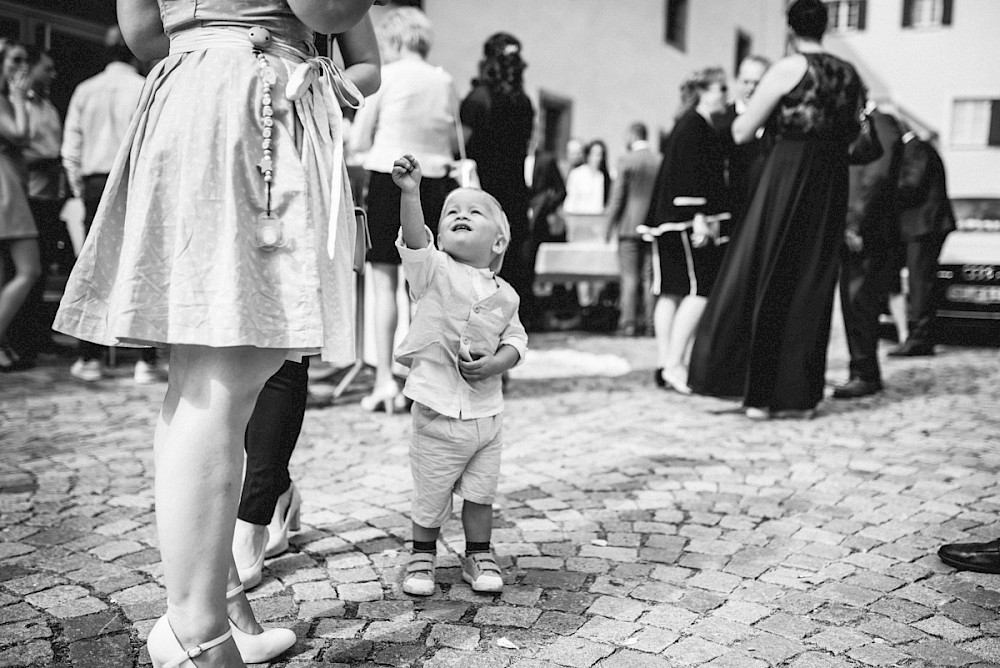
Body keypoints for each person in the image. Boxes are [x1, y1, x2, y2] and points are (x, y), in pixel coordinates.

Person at [52, 1, 378, 667]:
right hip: (247, 102)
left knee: (202, 377)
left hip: (191, 88)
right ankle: (194, 632)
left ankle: (220, 601)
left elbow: (145, 31)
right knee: (226, 379)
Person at [232, 13, 382, 590]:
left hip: (292, 140)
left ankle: (252, 517)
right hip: (212, 130)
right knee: (226, 336)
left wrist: (322, 82)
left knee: (286, 335)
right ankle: (276, 488)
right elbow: (146, 34)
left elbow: (367, 65)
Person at [688, 0, 872, 420]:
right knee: (812, 282)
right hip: (830, 183)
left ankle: (758, 397)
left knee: (766, 274)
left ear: (790, 28)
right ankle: (800, 396)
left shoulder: (789, 68)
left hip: (788, 175)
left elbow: (741, 130)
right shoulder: (849, 75)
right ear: (825, 27)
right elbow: (854, 132)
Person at [390, 154, 528, 597]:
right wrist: (412, 194)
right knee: (431, 493)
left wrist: (496, 364)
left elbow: (517, 341)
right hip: (438, 409)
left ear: (499, 242)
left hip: (488, 415)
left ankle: (479, 552)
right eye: (451, 211)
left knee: (481, 493)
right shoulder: (434, 272)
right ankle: (422, 554)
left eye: (475, 211)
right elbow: (414, 241)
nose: (461, 215)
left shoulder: (507, 294)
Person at [351, 6, 459, 413]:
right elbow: (452, 137)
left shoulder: (388, 77)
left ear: (393, 40)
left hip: (388, 175)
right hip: (433, 180)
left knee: (384, 285)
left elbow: (361, 138)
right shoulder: (443, 80)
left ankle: (383, 380)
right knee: (423, 286)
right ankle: (419, 379)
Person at [61, 27, 163, 383]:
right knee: (140, 261)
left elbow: (71, 147)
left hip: (94, 182)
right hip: (135, 177)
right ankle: (145, 359)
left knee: (98, 264)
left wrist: (78, 189)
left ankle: (90, 356)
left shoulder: (85, 90)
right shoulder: (144, 86)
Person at [646, 68, 729, 393]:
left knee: (672, 290)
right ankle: (675, 364)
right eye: (721, 88)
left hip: (669, 219)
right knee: (700, 289)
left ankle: (665, 363)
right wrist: (699, 216)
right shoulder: (696, 126)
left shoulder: (688, 123)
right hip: (685, 218)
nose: (725, 94)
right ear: (704, 91)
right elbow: (690, 174)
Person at [460, 32, 534, 324]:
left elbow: (461, 147)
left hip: (484, 195)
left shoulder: (477, 99)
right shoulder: (525, 103)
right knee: (510, 273)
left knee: (478, 274)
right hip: (515, 196)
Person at [6, 45, 71, 369]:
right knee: (24, 273)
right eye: (47, 68)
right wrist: (45, 160)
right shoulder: (16, 106)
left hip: (49, 195)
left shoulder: (46, 105)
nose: (53, 74)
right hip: (23, 194)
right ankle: (19, 341)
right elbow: (19, 144)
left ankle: (35, 337)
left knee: (41, 270)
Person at [834, 109, 904, 399]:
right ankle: (859, 369)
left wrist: (856, 223)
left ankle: (865, 373)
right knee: (852, 301)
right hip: (856, 226)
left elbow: (878, 175)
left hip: (868, 230)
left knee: (859, 299)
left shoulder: (881, 123)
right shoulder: (858, 123)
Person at [886, 129, 955, 357]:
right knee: (920, 282)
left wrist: (883, 191)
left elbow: (911, 185)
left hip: (923, 226)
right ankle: (920, 336)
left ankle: (919, 339)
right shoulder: (919, 147)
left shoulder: (915, 147)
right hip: (923, 225)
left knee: (919, 283)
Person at [0, 39, 41, 372]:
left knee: (7, 274)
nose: (22, 67)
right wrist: (17, 97)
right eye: (15, 60)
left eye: (25, 60)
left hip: (11, 185)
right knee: (29, 269)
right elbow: (21, 134)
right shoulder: (4, 99)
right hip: (5, 188)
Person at [606, 122, 660, 337]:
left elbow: (618, 197)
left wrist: (608, 226)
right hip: (651, 226)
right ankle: (651, 323)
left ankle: (628, 323)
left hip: (629, 226)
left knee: (629, 277)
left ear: (632, 135)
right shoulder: (659, 160)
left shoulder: (626, 161)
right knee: (649, 277)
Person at [713, 55, 771, 228]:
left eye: (757, 83)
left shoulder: (777, 125)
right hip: (730, 218)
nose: (750, 89)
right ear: (737, 81)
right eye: (746, 82)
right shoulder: (720, 122)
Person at [523, 121, 566, 330]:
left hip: (538, 222)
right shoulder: (514, 158)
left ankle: (534, 314)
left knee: (532, 266)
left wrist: (546, 205)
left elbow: (561, 190)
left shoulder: (547, 160)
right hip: (519, 218)